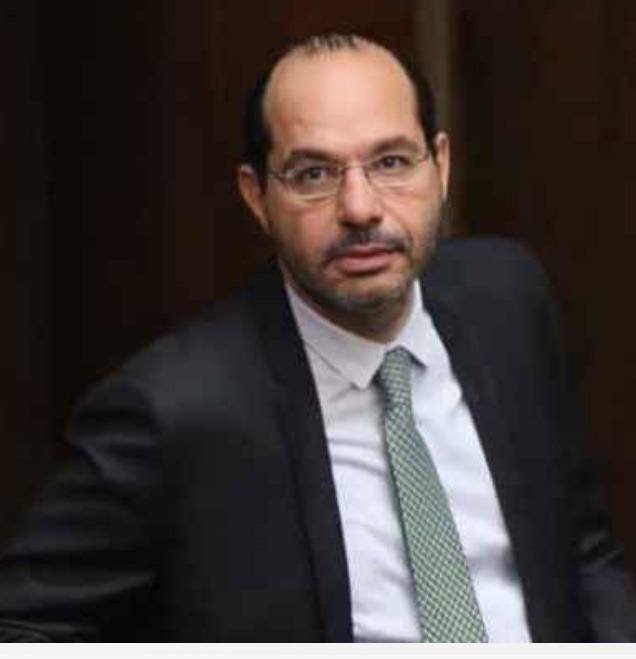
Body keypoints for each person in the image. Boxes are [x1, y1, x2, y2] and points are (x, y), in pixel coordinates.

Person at [0, 33, 634, 643]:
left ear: (439, 165)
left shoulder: (509, 301)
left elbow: (582, 546)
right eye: (312, 175)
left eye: (391, 162)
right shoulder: (173, 410)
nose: (360, 208)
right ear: (257, 196)